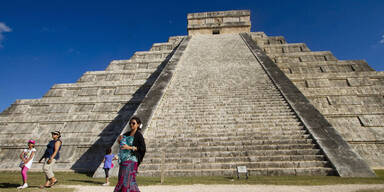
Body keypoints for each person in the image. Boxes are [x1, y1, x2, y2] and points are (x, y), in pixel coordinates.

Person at [114, 116, 146, 192]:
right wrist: (119, 141)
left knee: (127, 181)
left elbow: (142, 148)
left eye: (133, 123)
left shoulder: (139, 135)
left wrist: (130, 147)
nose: (131, 125)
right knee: (123, 180)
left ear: (138, 125)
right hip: (124, 160)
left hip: (132, 161)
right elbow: (122, 145)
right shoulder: (126, 134)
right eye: (130, 123)